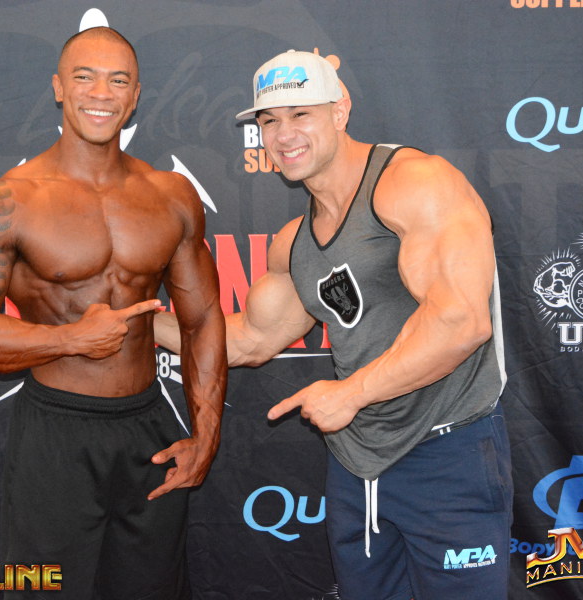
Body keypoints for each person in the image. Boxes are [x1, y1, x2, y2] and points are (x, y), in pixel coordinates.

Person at [156, 50, 512, 599]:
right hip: (355, 463)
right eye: (269, 120)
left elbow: (462, 321)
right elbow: (249, 340)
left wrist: (352, 392)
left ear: (340, 110)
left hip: (446, 452)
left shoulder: (414, 182)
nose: (283, 135)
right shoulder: (293, 244)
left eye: (301, 114)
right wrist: (140, 324)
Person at [0, 27, 227, 600]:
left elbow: (202, 319)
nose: (101, 93)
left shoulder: (172, 195)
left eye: (118, 80)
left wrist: (206, 434)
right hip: (56, 432)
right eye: (84, 77)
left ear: (135, 95)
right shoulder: (3, 201)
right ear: (58, 88)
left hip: (148, 427)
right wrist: (69, 339)